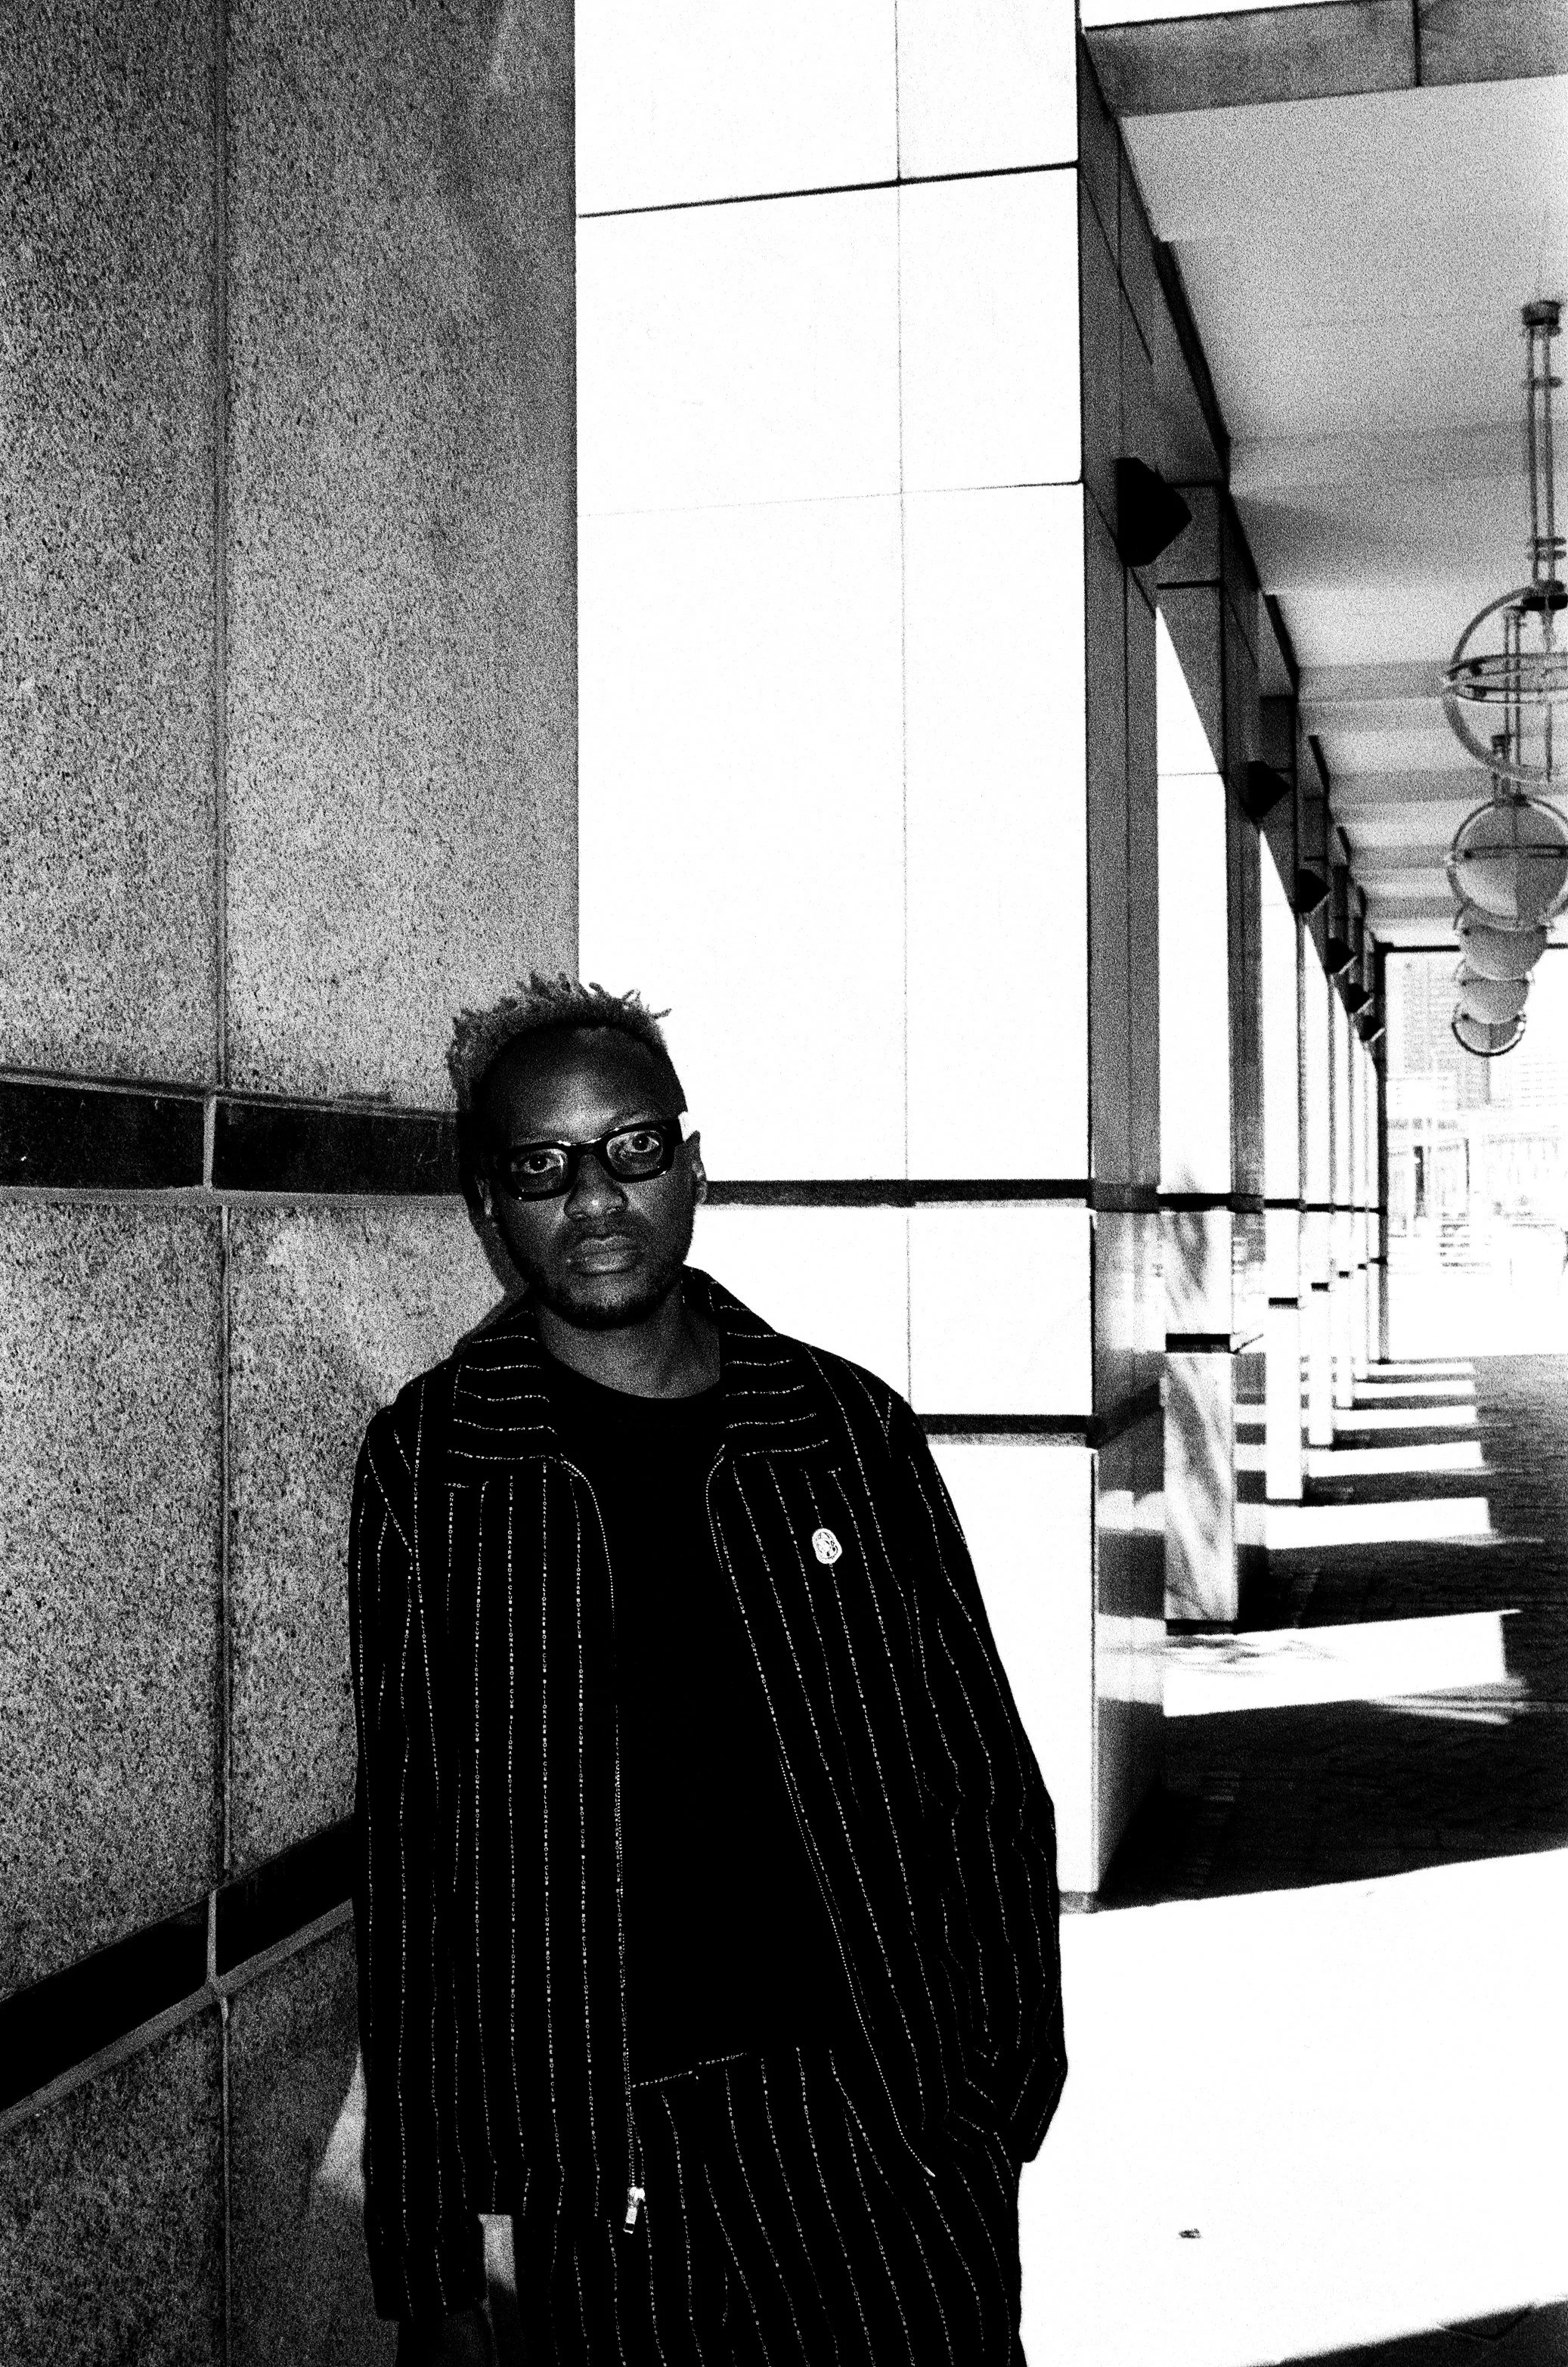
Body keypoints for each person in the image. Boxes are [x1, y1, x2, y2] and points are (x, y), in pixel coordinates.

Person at [348, 975, 1065, 2366]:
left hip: (884, 2132)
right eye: (542, 1165)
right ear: (488, 1205)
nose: (596, 1197)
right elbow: (416, 1874)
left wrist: (992, 2097)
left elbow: (980, 1780)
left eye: (631, 1147)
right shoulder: (437, 1468)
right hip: (604, 2169)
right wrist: (437, 2263)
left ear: (690, 1162)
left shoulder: (844, 1430)